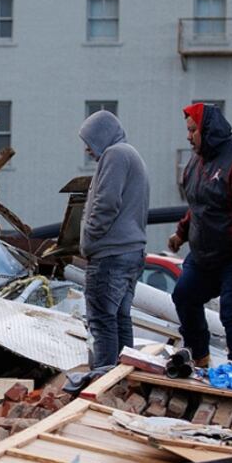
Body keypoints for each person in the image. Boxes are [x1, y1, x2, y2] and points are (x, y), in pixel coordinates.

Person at [168, 103, 232, 365]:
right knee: (184, 295)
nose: (188, 136)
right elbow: (200, 206)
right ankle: (198, 357)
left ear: (207, 129)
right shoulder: (197, 163)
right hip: (206, 255)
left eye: (193, 130)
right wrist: (181, 233)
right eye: (187, 130)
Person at [78, 110, 150, 369]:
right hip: (130, 252)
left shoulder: (115, 155)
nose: (87, 150)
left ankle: (102, 380)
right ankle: (122, 378)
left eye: (89, 142)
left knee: (102, 321)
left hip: (111, 254)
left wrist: (89, 238)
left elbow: (105, 204)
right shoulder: (131, 154)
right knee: (120, 319)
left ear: (102, 137)